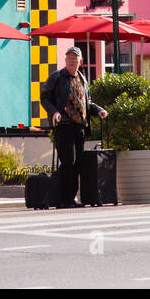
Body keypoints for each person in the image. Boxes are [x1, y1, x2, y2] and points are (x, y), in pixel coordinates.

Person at [40, 47, 107, 208]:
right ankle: (65, 198)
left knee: (77, 163)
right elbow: (45, 98)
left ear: (80, 61)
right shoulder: (57, 77)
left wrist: (99, 110)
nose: (71, 60)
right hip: (63, 126)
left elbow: (87, 103)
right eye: (69, 57)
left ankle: (71, 197)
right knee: (68, 161)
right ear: (65, 60)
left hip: (80, 127)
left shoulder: (82, 79)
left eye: (75, 58)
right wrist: (54, 112)